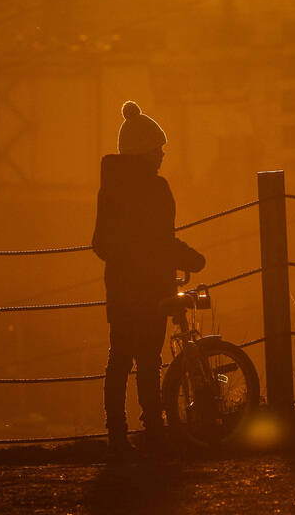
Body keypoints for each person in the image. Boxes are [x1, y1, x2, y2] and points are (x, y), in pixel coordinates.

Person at [91, 101, 204, 457]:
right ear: (144, 152)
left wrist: (127, 259)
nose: (162, 155)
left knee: (119, 358)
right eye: (157, 149)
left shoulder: (109, 187)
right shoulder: (157, 190)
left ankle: (117, 434)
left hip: (121, 287)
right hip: (153, 286)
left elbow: (100, 243)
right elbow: (162, 241)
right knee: (149, 361)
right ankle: (154, 431)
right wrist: (191, 258)